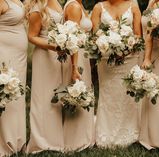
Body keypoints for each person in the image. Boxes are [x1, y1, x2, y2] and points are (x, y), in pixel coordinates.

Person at [92, 0, 142, 147]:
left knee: (127, 94)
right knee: (108, 94)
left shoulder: (133, 5)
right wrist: (108, 48)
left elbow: (138, 35)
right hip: (106, 59)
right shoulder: (98, 7)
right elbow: (94, 37)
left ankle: (130, 132)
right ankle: (106, 131)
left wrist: (125, 50)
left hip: (130, 58)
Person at [25, 0, 71, 153]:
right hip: (45, 56)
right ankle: (41, 140)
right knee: (43, 97)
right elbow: (31, 36)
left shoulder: (57, 3)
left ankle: (55, 137)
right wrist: (53, 46)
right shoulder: (38, 8)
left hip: (57, 57)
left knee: (55, 97)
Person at [139, 0, 159, 152]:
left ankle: (157, 137)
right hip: (147, 51)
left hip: (157, 54)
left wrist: (147, 58)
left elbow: (151, 34)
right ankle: (146, 132)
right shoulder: (151, 2)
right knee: (148, 91)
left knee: (156, 92)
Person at [63, 0, 95, 151]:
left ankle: (84, 133)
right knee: (78, 91)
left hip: (83, 54)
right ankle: (75, 139)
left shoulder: (79, 4)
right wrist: (74, 67)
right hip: (77, 56)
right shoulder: (74, 7)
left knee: (82, 92)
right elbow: (72, 39)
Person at [0, 0, 27, 156]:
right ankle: (5, 141)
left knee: (17, 96)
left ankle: (18, 139)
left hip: (19, 57)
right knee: (7, 96)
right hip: (5, 54)